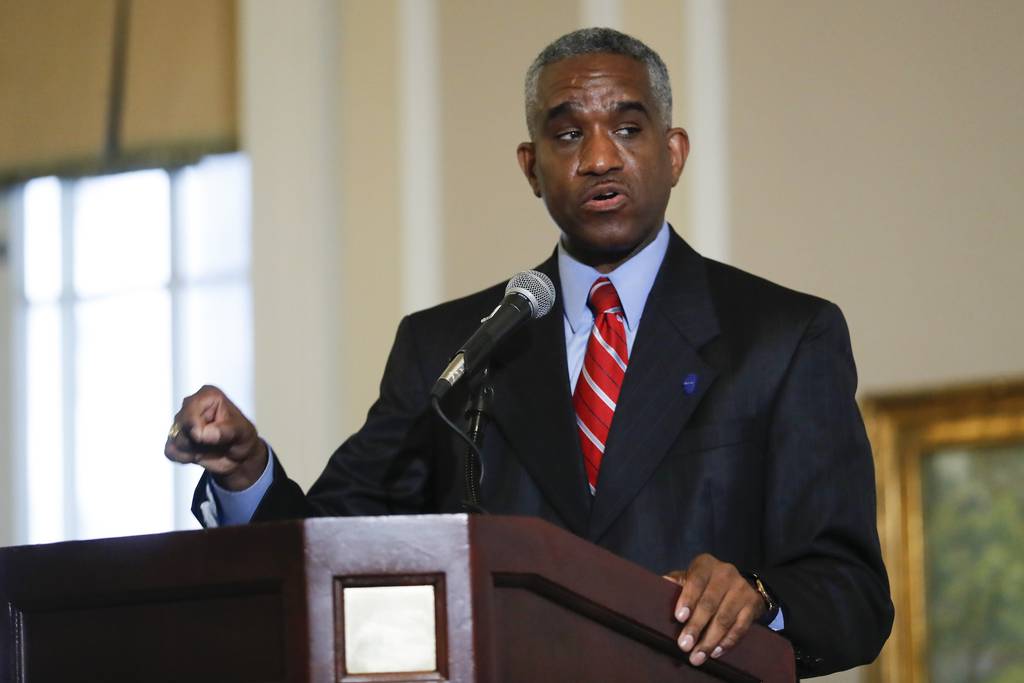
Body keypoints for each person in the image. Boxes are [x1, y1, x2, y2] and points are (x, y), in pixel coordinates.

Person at [165, 28, 893, 677]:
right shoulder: (451, 348)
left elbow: (853, 594)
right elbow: (325, 550)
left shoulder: (785, 336)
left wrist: (760, 596)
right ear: (530, 167)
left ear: (673, 154)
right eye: (569, 135)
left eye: (629, 128)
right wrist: (245, 470)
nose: (601, 157)